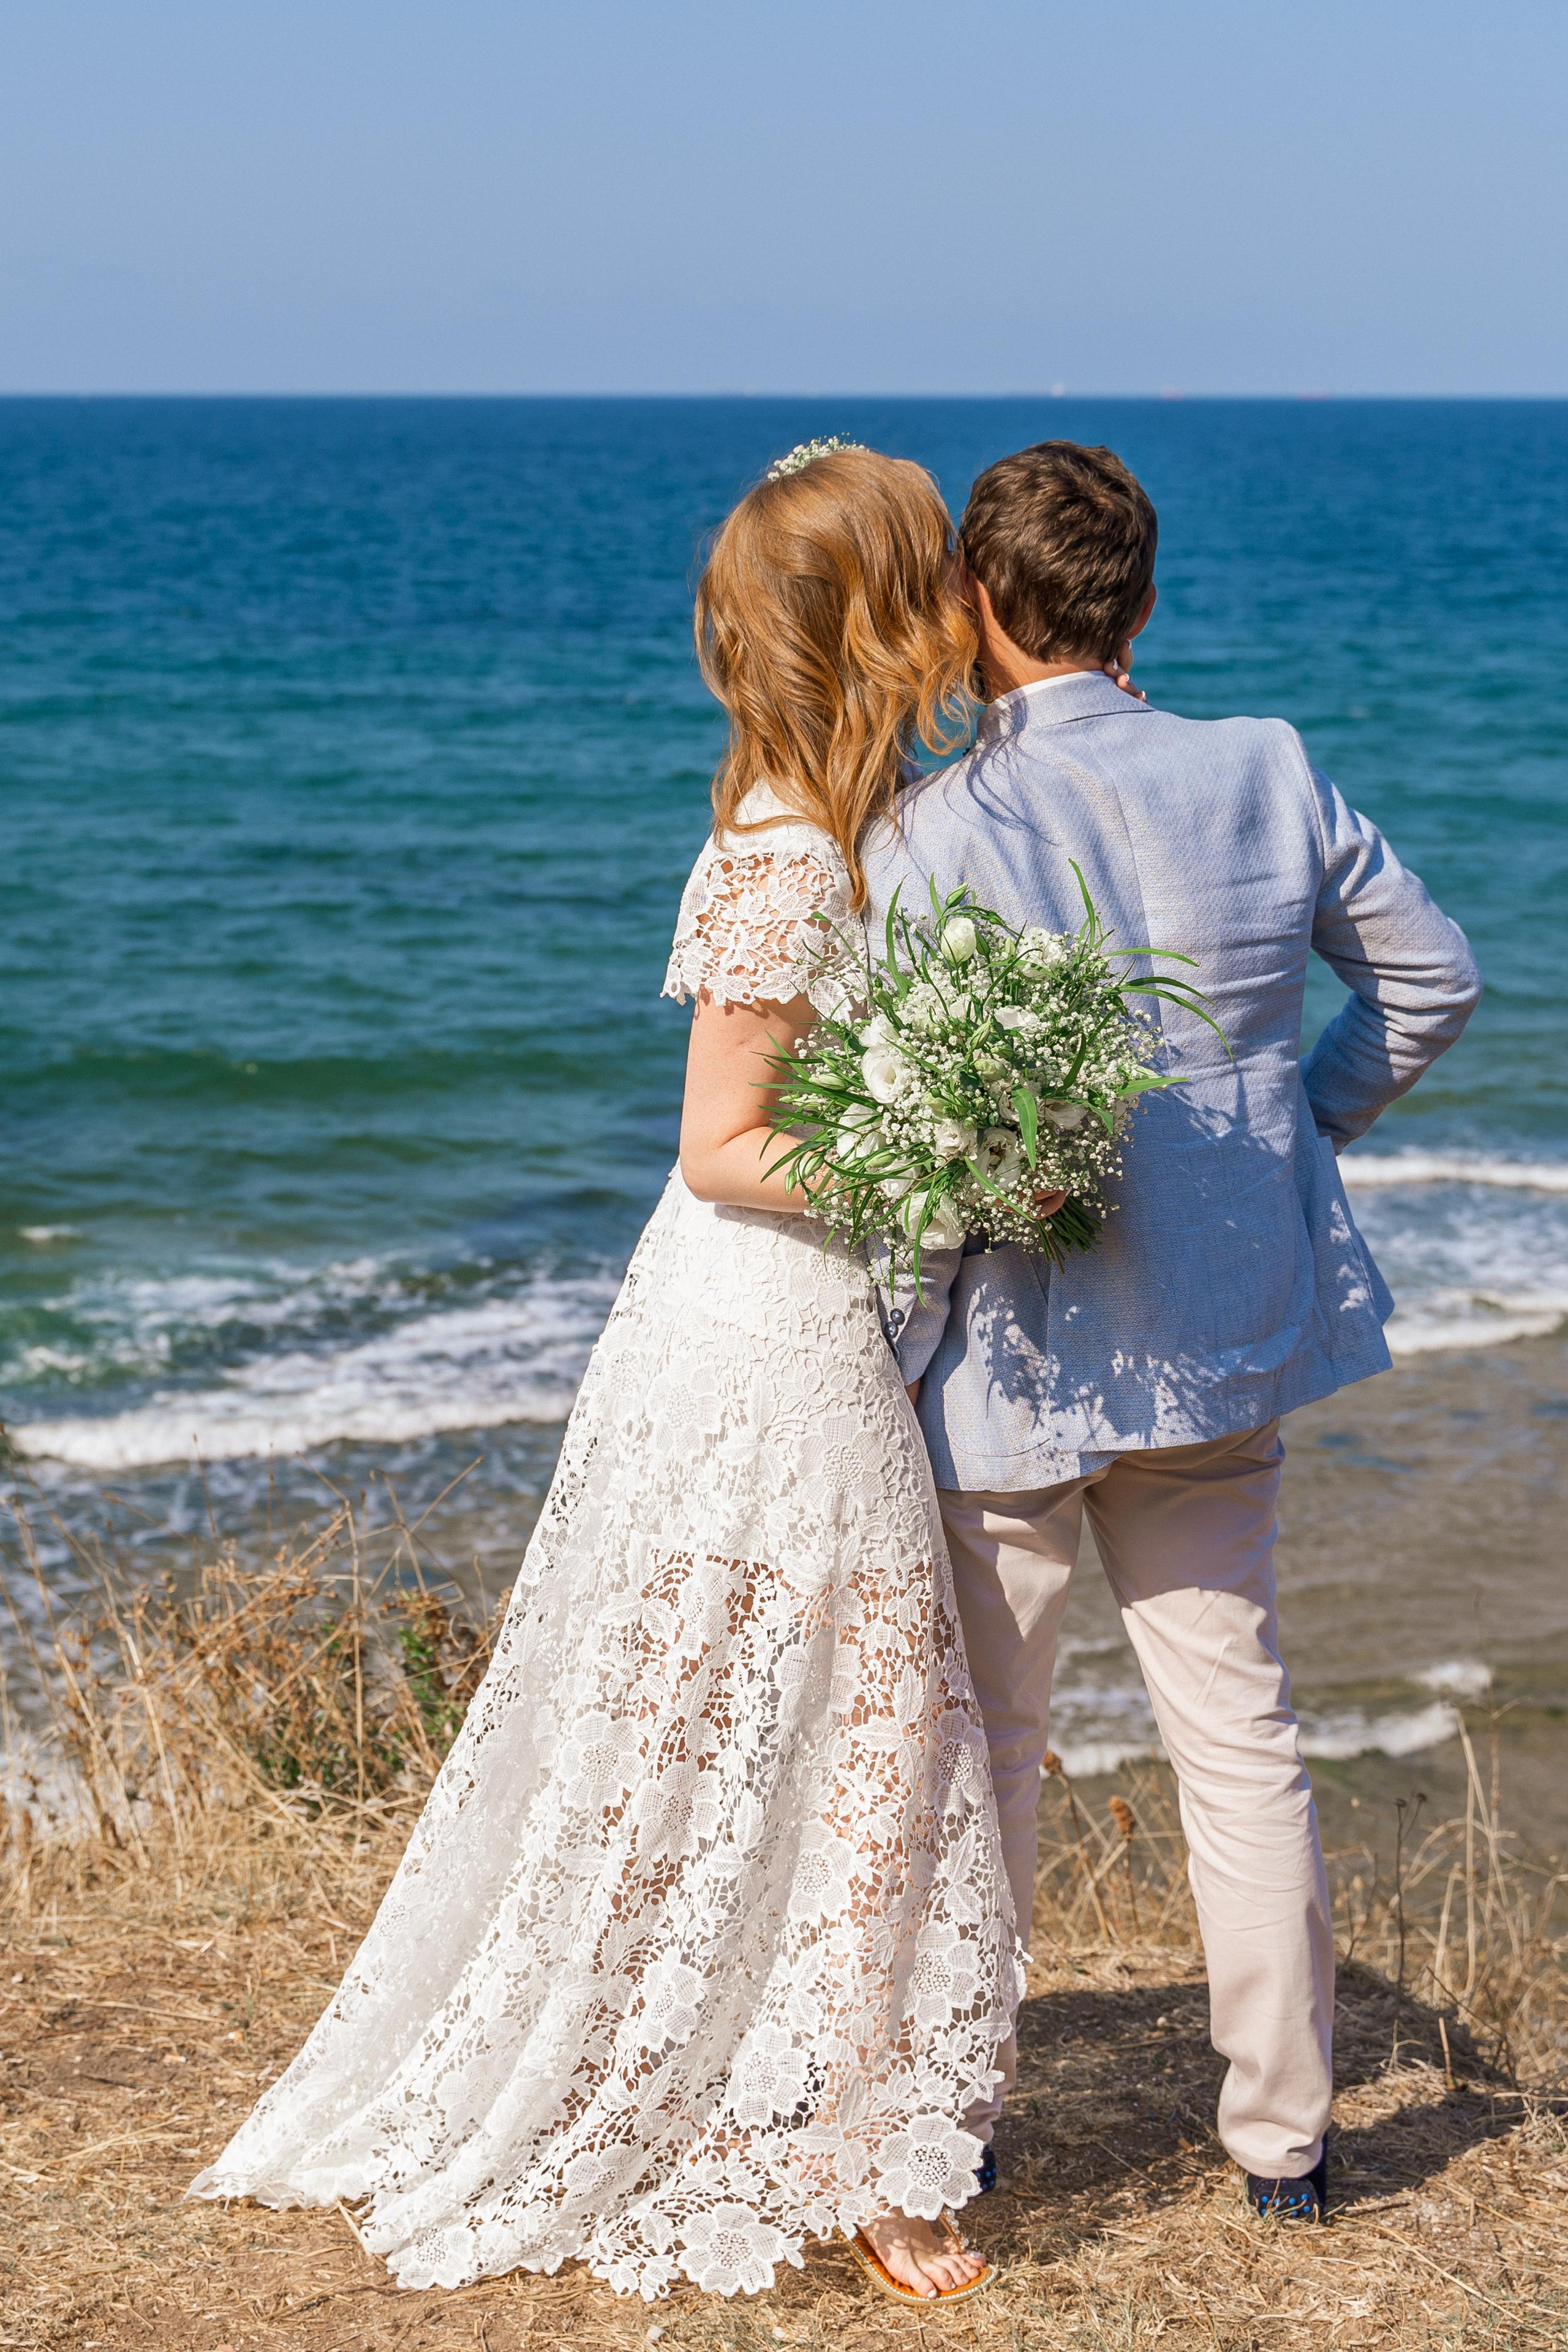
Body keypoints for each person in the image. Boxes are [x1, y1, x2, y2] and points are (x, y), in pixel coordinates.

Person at [191, 443, 1025, 2305]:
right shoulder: (788, 854)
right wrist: (941, 1162)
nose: (959, 602)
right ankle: (830, 2142)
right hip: (761, 1326)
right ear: (880, 619)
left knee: (820, 1721)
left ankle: (825, 2111)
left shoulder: (846, 821)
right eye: (928, 574)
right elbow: (724, 1144)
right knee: (851, 1719)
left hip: (777, 1318)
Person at [864, 438, 1483, 2225]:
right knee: (1239, 1730)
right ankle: (1285, 2143)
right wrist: (1296, 1132)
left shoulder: (932, 825)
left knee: (990, 1746)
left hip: (1016, 1358)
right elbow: (1433, 976)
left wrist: (887, 1346)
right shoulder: (1263, 765)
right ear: (1140, 602)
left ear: (975, 602)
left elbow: (923, 1147)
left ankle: (955, 2120)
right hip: (1219, 1331)